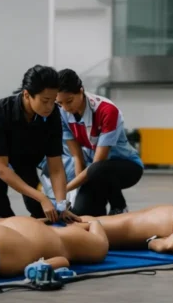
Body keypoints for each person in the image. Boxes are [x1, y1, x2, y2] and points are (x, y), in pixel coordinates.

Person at [0, 66, 78, 223]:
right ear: (27, 94)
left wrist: (61, 204)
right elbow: (2, 169)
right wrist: (42, 197)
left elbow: (55, 167)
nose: (50, 106)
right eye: (45, 101)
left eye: (53, 100)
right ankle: (4, 215)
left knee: (44, 212)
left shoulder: (52, 114)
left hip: (23, 157)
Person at [38, 69, 143, 216]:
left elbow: (98, 162)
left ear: (81, 91)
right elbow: (77, 157)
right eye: (59, 103)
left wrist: (64, 190)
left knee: (98, 170)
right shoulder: (61, 113)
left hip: (126, 167)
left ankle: (119, 206)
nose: (66, 108)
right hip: (93, 171)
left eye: (69, 101)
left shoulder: (107, 111)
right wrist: (75, 191)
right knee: (81, 213)